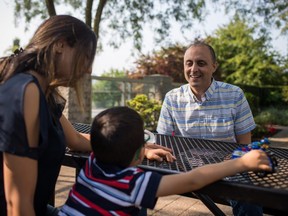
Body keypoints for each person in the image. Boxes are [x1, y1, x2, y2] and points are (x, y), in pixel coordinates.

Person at [0, 15, 173, 216]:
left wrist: (134, 147)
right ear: (60, 45)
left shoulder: (44, 93)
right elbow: (16, 206)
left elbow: (75, 140)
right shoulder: (25, 91)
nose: (89, 69)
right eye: (86, 57)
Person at [58, 106, 271, 215]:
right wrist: (241, 163)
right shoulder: (133, 184)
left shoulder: (92, 162)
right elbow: (193, 180)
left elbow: (93, 141)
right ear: (139, 153)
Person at [156, 40, 261, 215]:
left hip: (228, 168)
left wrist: (233, 163)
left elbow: (245, 143)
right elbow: (163, 141)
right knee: (137, 182)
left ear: (214, 66)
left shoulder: (234, 95)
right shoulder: (172, 98)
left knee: (249, 198)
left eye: (201, 63)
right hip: (186, 169)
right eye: (189, 63)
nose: (193, 69)